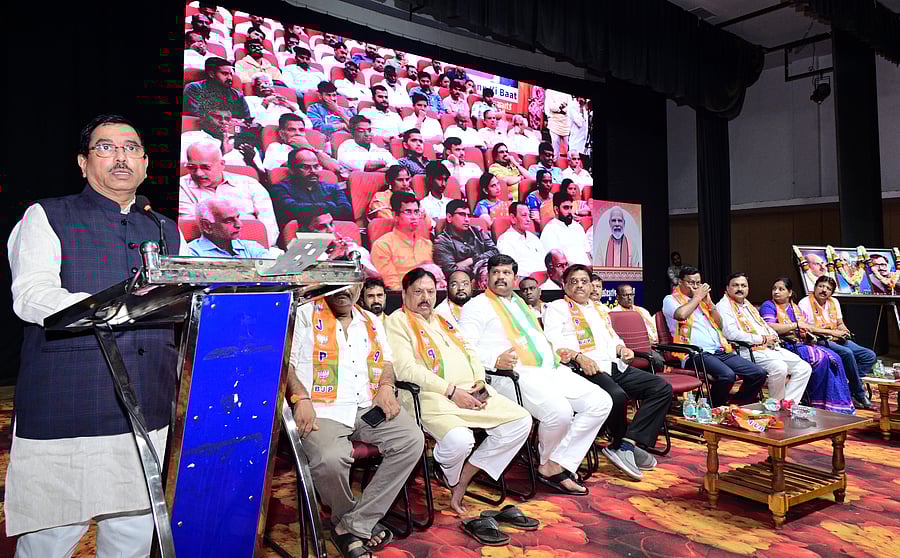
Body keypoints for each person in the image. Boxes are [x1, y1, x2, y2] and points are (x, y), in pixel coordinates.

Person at [6, 114, 180, 555]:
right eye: (106, 147)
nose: (121, 157)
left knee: (132, 538)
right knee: (49, 540)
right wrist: (115, 307)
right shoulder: (47, 215)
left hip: (149, 405)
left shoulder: (165, 228)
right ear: (83, 163)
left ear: (146, 164)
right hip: (69, 404)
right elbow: (31, 296)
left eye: (131, 148)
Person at [288, 286, 424, 556]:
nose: (343, 290)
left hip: (367, 404)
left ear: (359, 287)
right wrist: (300, 398)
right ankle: (354, 522)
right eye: (336, 283)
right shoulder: (303, 314)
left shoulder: (370, 320)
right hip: (321, 408)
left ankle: (352, 525)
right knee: (330, 458)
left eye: (350, 283)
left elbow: (387, 362)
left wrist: (386, 386)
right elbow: (286, 365)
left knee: (411, 440)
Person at [459, 255, 613, 494]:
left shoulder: (519, 303)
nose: (501, 277)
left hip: (548, 369)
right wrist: (494, 359)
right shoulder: (476, 306)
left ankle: (557, 462)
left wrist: (557, 353)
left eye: (506, 273)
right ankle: (551, 464)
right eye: (496, 272)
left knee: (601, 402)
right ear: (486, 277)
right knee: (559, 412)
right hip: (509, 375)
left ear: (515, 278)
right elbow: (465, 348)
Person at [385, 268, 532, 516]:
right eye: (418, 292)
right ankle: (449, 474)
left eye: (430, 291)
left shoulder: (444, 319)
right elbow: (406, 370)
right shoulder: (396, 321)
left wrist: (479, 380)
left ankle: (463, 478)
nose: (425, 297)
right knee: (461, 441)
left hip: (471, 391)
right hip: (430, 397)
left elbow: (471, 352)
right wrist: (451, 392)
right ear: (404, 293)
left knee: (521, 422)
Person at [543, 264, 673, 481]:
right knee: (616, 396)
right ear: (564, 285)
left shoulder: (598, 309)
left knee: (661, 388)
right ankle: (620, 443)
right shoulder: (557, 308)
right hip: (582, 368)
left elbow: (612, 338)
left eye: (584, 281)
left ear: (591, 285)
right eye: (573, 281)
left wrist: (622, 349)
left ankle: (628, 443)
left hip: (613, 365)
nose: (579, 286)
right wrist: (579, 357)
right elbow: (553, 343)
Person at [662, 266, 768, 407]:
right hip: (694, 354)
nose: (696, 286)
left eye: (698, 283)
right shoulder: (671, 299)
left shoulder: (702, 302)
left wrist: (710, 304)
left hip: (719, 350)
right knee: (727, 376)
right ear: (681, 282)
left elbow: (720, 324)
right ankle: (713, 409)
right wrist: (697, 298)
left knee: (758, 373)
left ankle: (735, 406)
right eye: (691, 282)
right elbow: (681, 315)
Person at [760, 278, 856, 414]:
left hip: (802, 343)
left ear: (789, 293)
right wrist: (795, 326)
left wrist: (809, 335)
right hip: (785, 345)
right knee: (822, 358)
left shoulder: (794, 307)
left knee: (835, 358)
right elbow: (770, 327)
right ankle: (815, 400)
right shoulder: (768, 305)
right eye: (774, 289)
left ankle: (833, 403)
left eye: (781, 289)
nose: (776, 292)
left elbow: (805, 327)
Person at [716, 273, 812, 403]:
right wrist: (763, 339)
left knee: (804, 368)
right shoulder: (724, 306)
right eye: (735, 285)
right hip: (745, 350)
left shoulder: (747, 304)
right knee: (779, 367)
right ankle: (774, 405)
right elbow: (731, 334)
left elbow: (763, 325)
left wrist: (773, 335)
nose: (740, 289)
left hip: (767, 348)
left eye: (743, 286)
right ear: (727, 288)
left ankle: (787, 404)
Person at [180, 140, 278, 246]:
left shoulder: (250, 184)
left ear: (222, 164)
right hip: (205, 251)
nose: (198, 173)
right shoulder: (182, 187)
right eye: (192, 167)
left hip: (255, 247)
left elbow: (269, 229)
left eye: (206, 167)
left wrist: (255, 248)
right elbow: (190, 230)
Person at [798, 275, 875, 409]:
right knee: (847, 353)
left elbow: (839, 323)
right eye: (821, 286)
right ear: (814, 288)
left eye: (828, 288)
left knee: (869, 356)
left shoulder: (834, 302)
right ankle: (859, 394)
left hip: (837, 338)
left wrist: (845, 330)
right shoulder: (805, 303)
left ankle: (849, 387)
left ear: (832, 292)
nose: (824, 290)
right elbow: (807, 328)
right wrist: (832, 333)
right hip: (818, 339)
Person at [371, 192, 444, 290]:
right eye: (408, 212)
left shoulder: (427, 244)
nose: (414, 217)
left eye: (416, 212)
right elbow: (392, 286)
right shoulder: (382, 245)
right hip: (401, 295)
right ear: (395, 215)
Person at [269, 147, 352, 229]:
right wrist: (330, 205)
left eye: (316, 166)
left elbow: (347, 211)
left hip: (333, 231)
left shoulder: (332, 188)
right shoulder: (280, 188)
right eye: (305, 167)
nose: (313, 171)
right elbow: (292, 210)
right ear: (292, 170)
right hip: (299, 234)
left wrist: (311, 211)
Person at [433, 200, 500, 285]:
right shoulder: (442, 241)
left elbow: (495, 251)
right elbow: (450, 271)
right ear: (449, 217)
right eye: (462, 215)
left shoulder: (478, 231)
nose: (467, 219)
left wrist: (472, 260)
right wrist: (477, 266)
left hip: (486, 273)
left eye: (468, 215)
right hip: (462, 283)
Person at [180, 108, 264, 169]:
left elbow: (262, 178)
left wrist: (250, 161)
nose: (223, 121)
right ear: (205, 120)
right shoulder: (190, 138)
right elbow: (185, 169)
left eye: (227, 118)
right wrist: (222, 152)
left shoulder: (243, 144)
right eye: (217, 117)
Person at [262, 113, 344, 175]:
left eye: (301, 130)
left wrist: (307, 147)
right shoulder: (276, 147)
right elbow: (276, 172)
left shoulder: (313, 150)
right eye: (291, 130)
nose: (298, 133)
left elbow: (336, 168)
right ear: (282, 134)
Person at [187, 197, 270, 258]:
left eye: (237, 217)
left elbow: (270, 270)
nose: (239, 225)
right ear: (207, 226)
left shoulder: (251, 246)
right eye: (229, 221)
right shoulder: (191, 253)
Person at [496, 202, 546, 278]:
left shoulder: (534, 238)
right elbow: (510, 269)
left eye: (529, 215)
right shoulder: (505, 240)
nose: (528, 219)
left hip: (545, 278)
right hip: (524, 280)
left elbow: (545, 259)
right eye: (524, 215)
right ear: (513, 218)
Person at [541, 191, 592, 266]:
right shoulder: (550, 230)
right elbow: (555, 261)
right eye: (566, 208)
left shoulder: (578, 227)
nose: (570, 211)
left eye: (571, 207)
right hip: (570, 270)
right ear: (556, 210)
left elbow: (587, 253)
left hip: (587, 269)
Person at [245, 73, 310, 128]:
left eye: (268, 83)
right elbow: (254, 121)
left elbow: (308, 125)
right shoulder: (250, 100)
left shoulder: (289, 104)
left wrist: (291, 106)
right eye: (259, 84)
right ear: (254, 88)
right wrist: (265, 102)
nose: (265, 86)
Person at [544, 89, 572, 157]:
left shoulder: (568, 94)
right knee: (555, 145)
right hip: (554, 121)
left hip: (566, 122)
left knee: (569, 146)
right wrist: (561, 107)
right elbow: (551, 106)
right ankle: (555, 161)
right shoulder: (549, 91)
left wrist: (561, 109)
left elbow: (570, 107)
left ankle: (571, 162)